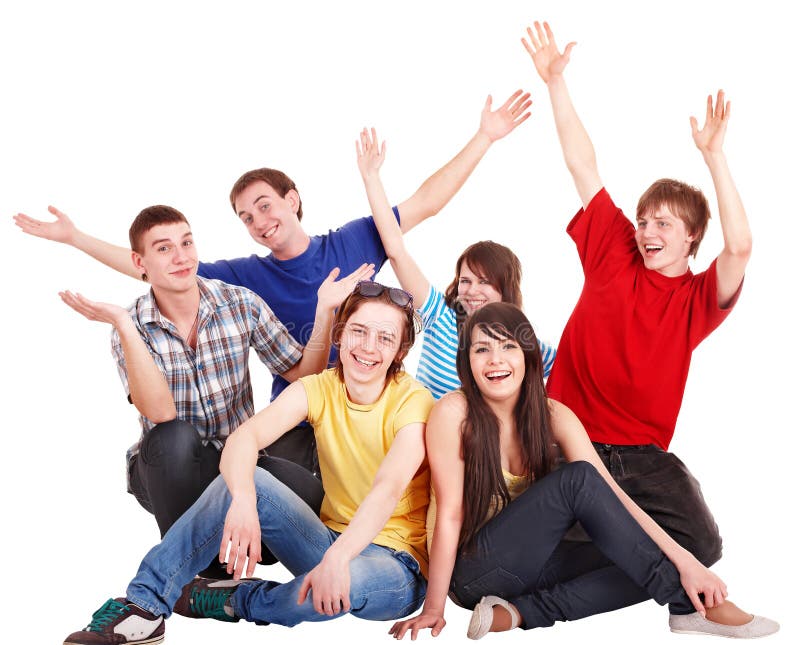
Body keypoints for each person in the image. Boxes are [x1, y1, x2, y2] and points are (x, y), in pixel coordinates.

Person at [14, 90, 531, 475]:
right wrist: (76, 237)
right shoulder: (244, 277)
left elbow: (427, 201)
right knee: (283, 491)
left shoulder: (354, 240)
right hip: (302, 418)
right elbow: (156, 268)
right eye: (245, 217)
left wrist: (484, 136)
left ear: (293, 199)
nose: (259, 221)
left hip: (373, 410)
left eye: (265, 206)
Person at [64, 281, 435, 645]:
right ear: (340, 334)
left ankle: (234, 599)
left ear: (400, 352)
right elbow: (245, 439)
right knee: (243, 478)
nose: (369, 347)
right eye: (359, 331)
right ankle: (143, 606)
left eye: (385, 338)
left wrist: (338, 558)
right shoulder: (320, 387)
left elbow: (388, 488)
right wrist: (242, 499)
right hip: (325, 540)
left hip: (395, 564)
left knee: (338, 587)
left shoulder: (414, 402)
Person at [521, 19, 752, 599]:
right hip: (567, 437)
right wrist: (555, 83)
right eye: (645, 220)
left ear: (691, 239)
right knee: (593, 529)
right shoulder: (615, 250)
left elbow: (742, 247)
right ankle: (561, 566)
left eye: (663, 224)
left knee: (705, 544)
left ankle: (598, 548)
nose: (647, 231)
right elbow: (583, 165)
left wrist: (715, 157)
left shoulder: (698, 299)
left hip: (640, 456)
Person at [389, 303, 777, 640]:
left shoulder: (553, 415)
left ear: (527, 356)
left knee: (635, 552)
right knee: (576, 481)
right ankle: (689, 607)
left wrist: (687, 560)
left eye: (508, 346)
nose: (496, 360)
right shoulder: (454, 414)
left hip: (531, 564)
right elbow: (451, 514)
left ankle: (521, 613)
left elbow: (612, 495)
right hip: (471, 571)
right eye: (482, 349)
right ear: (467, 360)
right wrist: (435, 605)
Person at [60, 204, 371, 573]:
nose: (181, 257)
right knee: (174, 436)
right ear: (139, 262)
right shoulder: (133, 326)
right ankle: (188, 574)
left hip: (238, 462)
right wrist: (124, 326)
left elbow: (302, 375)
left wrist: (325, 313)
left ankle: (234, 547)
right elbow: (160, 413)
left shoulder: (238, 303)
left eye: (186, 243)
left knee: (308, 500)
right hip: (170, 471)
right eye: (164, 249)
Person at [355, 127, 556, 400]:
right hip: (425, 436)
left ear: (504, 289)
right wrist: (371, 178)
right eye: (465, 281)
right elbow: (396, 251)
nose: (472, 290)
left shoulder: (519, 338)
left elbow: (572, 366)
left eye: (484, 282)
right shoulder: (441, 316)